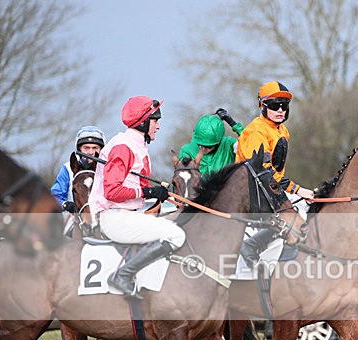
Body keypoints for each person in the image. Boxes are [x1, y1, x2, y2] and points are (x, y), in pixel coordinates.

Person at [88, 96, 185, 299]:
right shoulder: (124, 147)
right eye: (155, 121)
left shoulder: (136, 144)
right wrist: (149, 192)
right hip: (115, 218)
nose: (158, 126)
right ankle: (122, 275)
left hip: (127, 214)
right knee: (176, 236)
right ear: (143, 122)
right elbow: (112, 191)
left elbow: (134, 189)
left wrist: (160, 194)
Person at [236, 81, 314, 267]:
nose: (280, 110)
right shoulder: (256, 132)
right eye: (274, 105)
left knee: (303, 206)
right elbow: (264, 173)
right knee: (294, 212)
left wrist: (298, 192)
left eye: (284, 106)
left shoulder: (281, 130)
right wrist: (298, 189)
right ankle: (250, 245)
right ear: (262, 106)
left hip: (268, 187)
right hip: (251, 188)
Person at [51, 126, 107, 212]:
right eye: (86, 148)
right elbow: (55, 196)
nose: (91, 152)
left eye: (95, 148)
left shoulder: (108, 169)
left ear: (101, 150)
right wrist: (66, 205)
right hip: (74, 215)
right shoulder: (67, 168)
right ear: (79, 149)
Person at [178, 109, 244, 176]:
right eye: (200, 145)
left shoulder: (229, 144)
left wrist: (234, 124)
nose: (203, 149)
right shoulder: (186, 151)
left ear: (219, 141)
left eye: (208, 146)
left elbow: (250, 144)